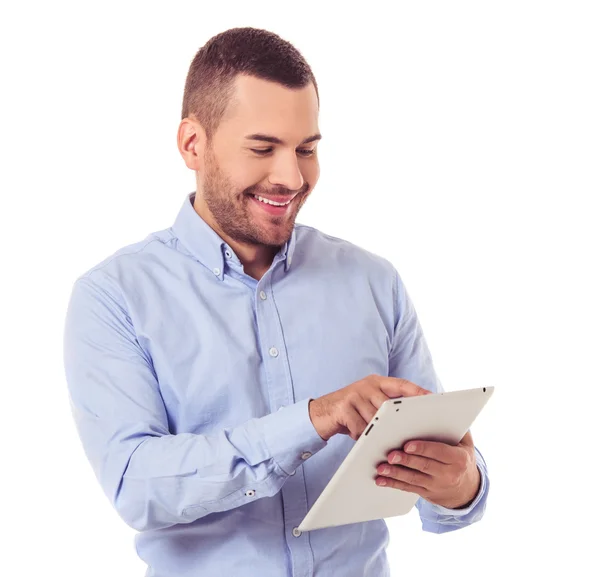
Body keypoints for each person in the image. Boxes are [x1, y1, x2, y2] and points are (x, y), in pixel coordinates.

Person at [63, 26, 490, 577]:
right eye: (263, 148)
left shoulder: (372, 281)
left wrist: (460, 483)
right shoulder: (113, 297)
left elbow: (441, 478)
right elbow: (136, 486)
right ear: (193, 144)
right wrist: (312, 420)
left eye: (306, 149)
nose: (291, 177)